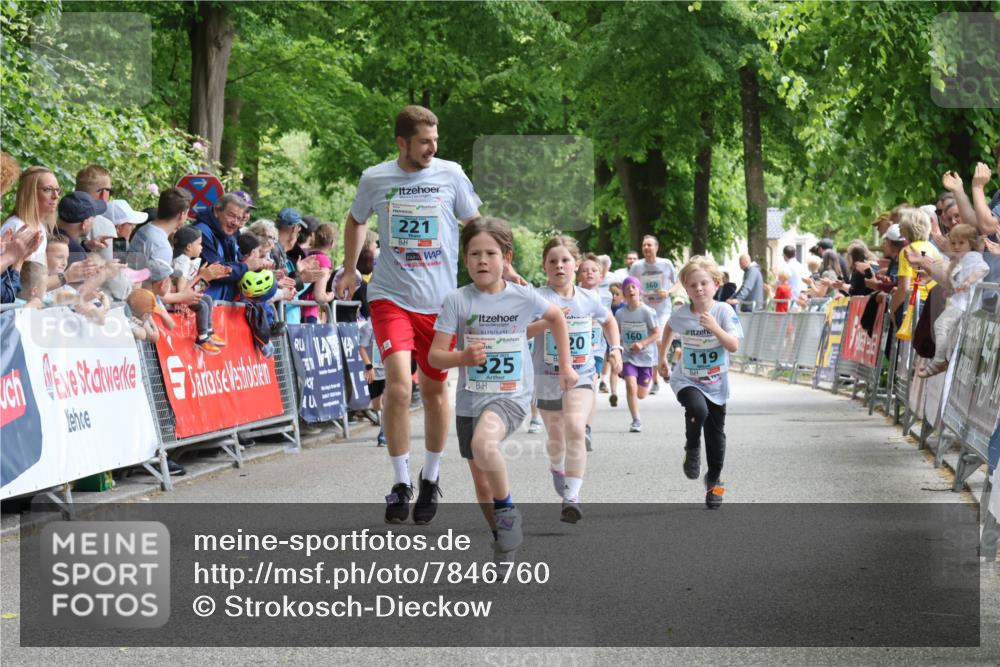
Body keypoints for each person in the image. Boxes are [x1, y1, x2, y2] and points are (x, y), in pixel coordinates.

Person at [337, 105, 512, 525]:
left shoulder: (450, 175)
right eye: (424, 142)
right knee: (398, 386)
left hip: (439, 304)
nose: (432, 148)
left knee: (435, 393)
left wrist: (501, 264)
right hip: (390, 297)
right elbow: (356, 219)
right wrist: (348, 267)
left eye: (435, 140)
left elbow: (475, 223)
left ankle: (430, 477)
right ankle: (401, 483)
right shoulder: (375, 178)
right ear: (402, 142)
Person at [429, 217, 574, 551]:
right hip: (470, 398)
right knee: (482, 484)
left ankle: (508, 512)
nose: (482, 260)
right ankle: (503, 540)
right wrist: (462, 357)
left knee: (484, 444)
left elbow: (556, 317)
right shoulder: (457, 300)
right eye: (475, 254)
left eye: (491, 253)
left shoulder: (522, 297)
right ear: (465, 259)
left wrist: (565, 365)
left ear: (506, 258)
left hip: (511, 395)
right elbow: (435, 357)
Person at [530, 239, 620, 522]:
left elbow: (609, 321)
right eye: (553, 261)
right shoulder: (537, 298)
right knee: (556, 437)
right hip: (546, 377)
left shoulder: (588, 298)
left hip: (581, 374)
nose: (559, 266)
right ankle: (557, 467)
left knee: (575, 427)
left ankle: (572, 498)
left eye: (565, 260)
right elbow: (520, 332)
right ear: (545, 266)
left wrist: (616, 348)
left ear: (576, 265)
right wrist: (547, 322)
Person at [657, 256, 742, 509]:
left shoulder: (723, 311)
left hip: (716, 383)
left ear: (716, 284)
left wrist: (715, 327)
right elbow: (668, 328)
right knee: (697, 409)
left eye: (704, 283)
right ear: (686, 288)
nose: (699, 289)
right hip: (687, 379)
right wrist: (662, 357)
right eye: (692, 285)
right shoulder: (682, 314)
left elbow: (734, 346)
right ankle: (692, 447)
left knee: (716, 439)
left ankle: (714, 484)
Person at [911, 224, 989, 377]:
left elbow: (983, 268)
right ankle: (941, 360)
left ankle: (939, 361)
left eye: (961, 243)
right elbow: (952, 283)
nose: (957, 246)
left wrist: (969, 281)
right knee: (945, 330)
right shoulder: (961, 260)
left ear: (971, 243)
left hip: (965, 304)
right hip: (962, 304)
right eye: (953, 243)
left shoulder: (972, 257)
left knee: (940, 325)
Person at [629, 235, 678, 394]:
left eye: (649, 245)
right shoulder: (637, 266)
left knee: (658, 341)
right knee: (651, 346)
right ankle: (655, 380)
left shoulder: (666, 263)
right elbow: (630, 285)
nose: (646, 248)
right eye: (644, 245)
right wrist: (638, 296)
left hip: (663, 309)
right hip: (645, 310)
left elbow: (678, 282)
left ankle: (664, 365)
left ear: (657, 247)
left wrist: (668, 292)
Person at [614, 276, 660, 433]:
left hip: (645, 357)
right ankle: (636, 420)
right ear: (624, 294)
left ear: (639, 291)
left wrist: (642, 343)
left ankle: (644, 386)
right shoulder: (620, 313)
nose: (631, 290)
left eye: (633, 287)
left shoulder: (647, 311)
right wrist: (615, 351)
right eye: (627, 288)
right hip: (628, 356)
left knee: (641, 394)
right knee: (630, 386)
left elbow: (657, 333)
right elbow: (616, 334)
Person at [172, 225, 226, 354]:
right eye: (199, 244)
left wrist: (205, 278)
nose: (201, 247)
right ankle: (202, 338)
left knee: (207, 299)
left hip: (182, 294)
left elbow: (192, 287)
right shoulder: (182, 261)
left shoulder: (186, 260)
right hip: (178, 296)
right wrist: (202, 277)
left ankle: (209, 331)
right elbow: (182, 289)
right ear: (189, 247)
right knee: (202, 305)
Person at [890, 206, 942, 324]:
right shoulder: (933, 249)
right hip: (932, 304)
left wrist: (893, 310)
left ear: (906, 228)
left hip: (913, 304)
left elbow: (904, 287)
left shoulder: (907, 251)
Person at [76, 165, 117, 259]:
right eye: (109, 191)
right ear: (103, 193)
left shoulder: (58, 218)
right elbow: (110, 263)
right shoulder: (105, 225)